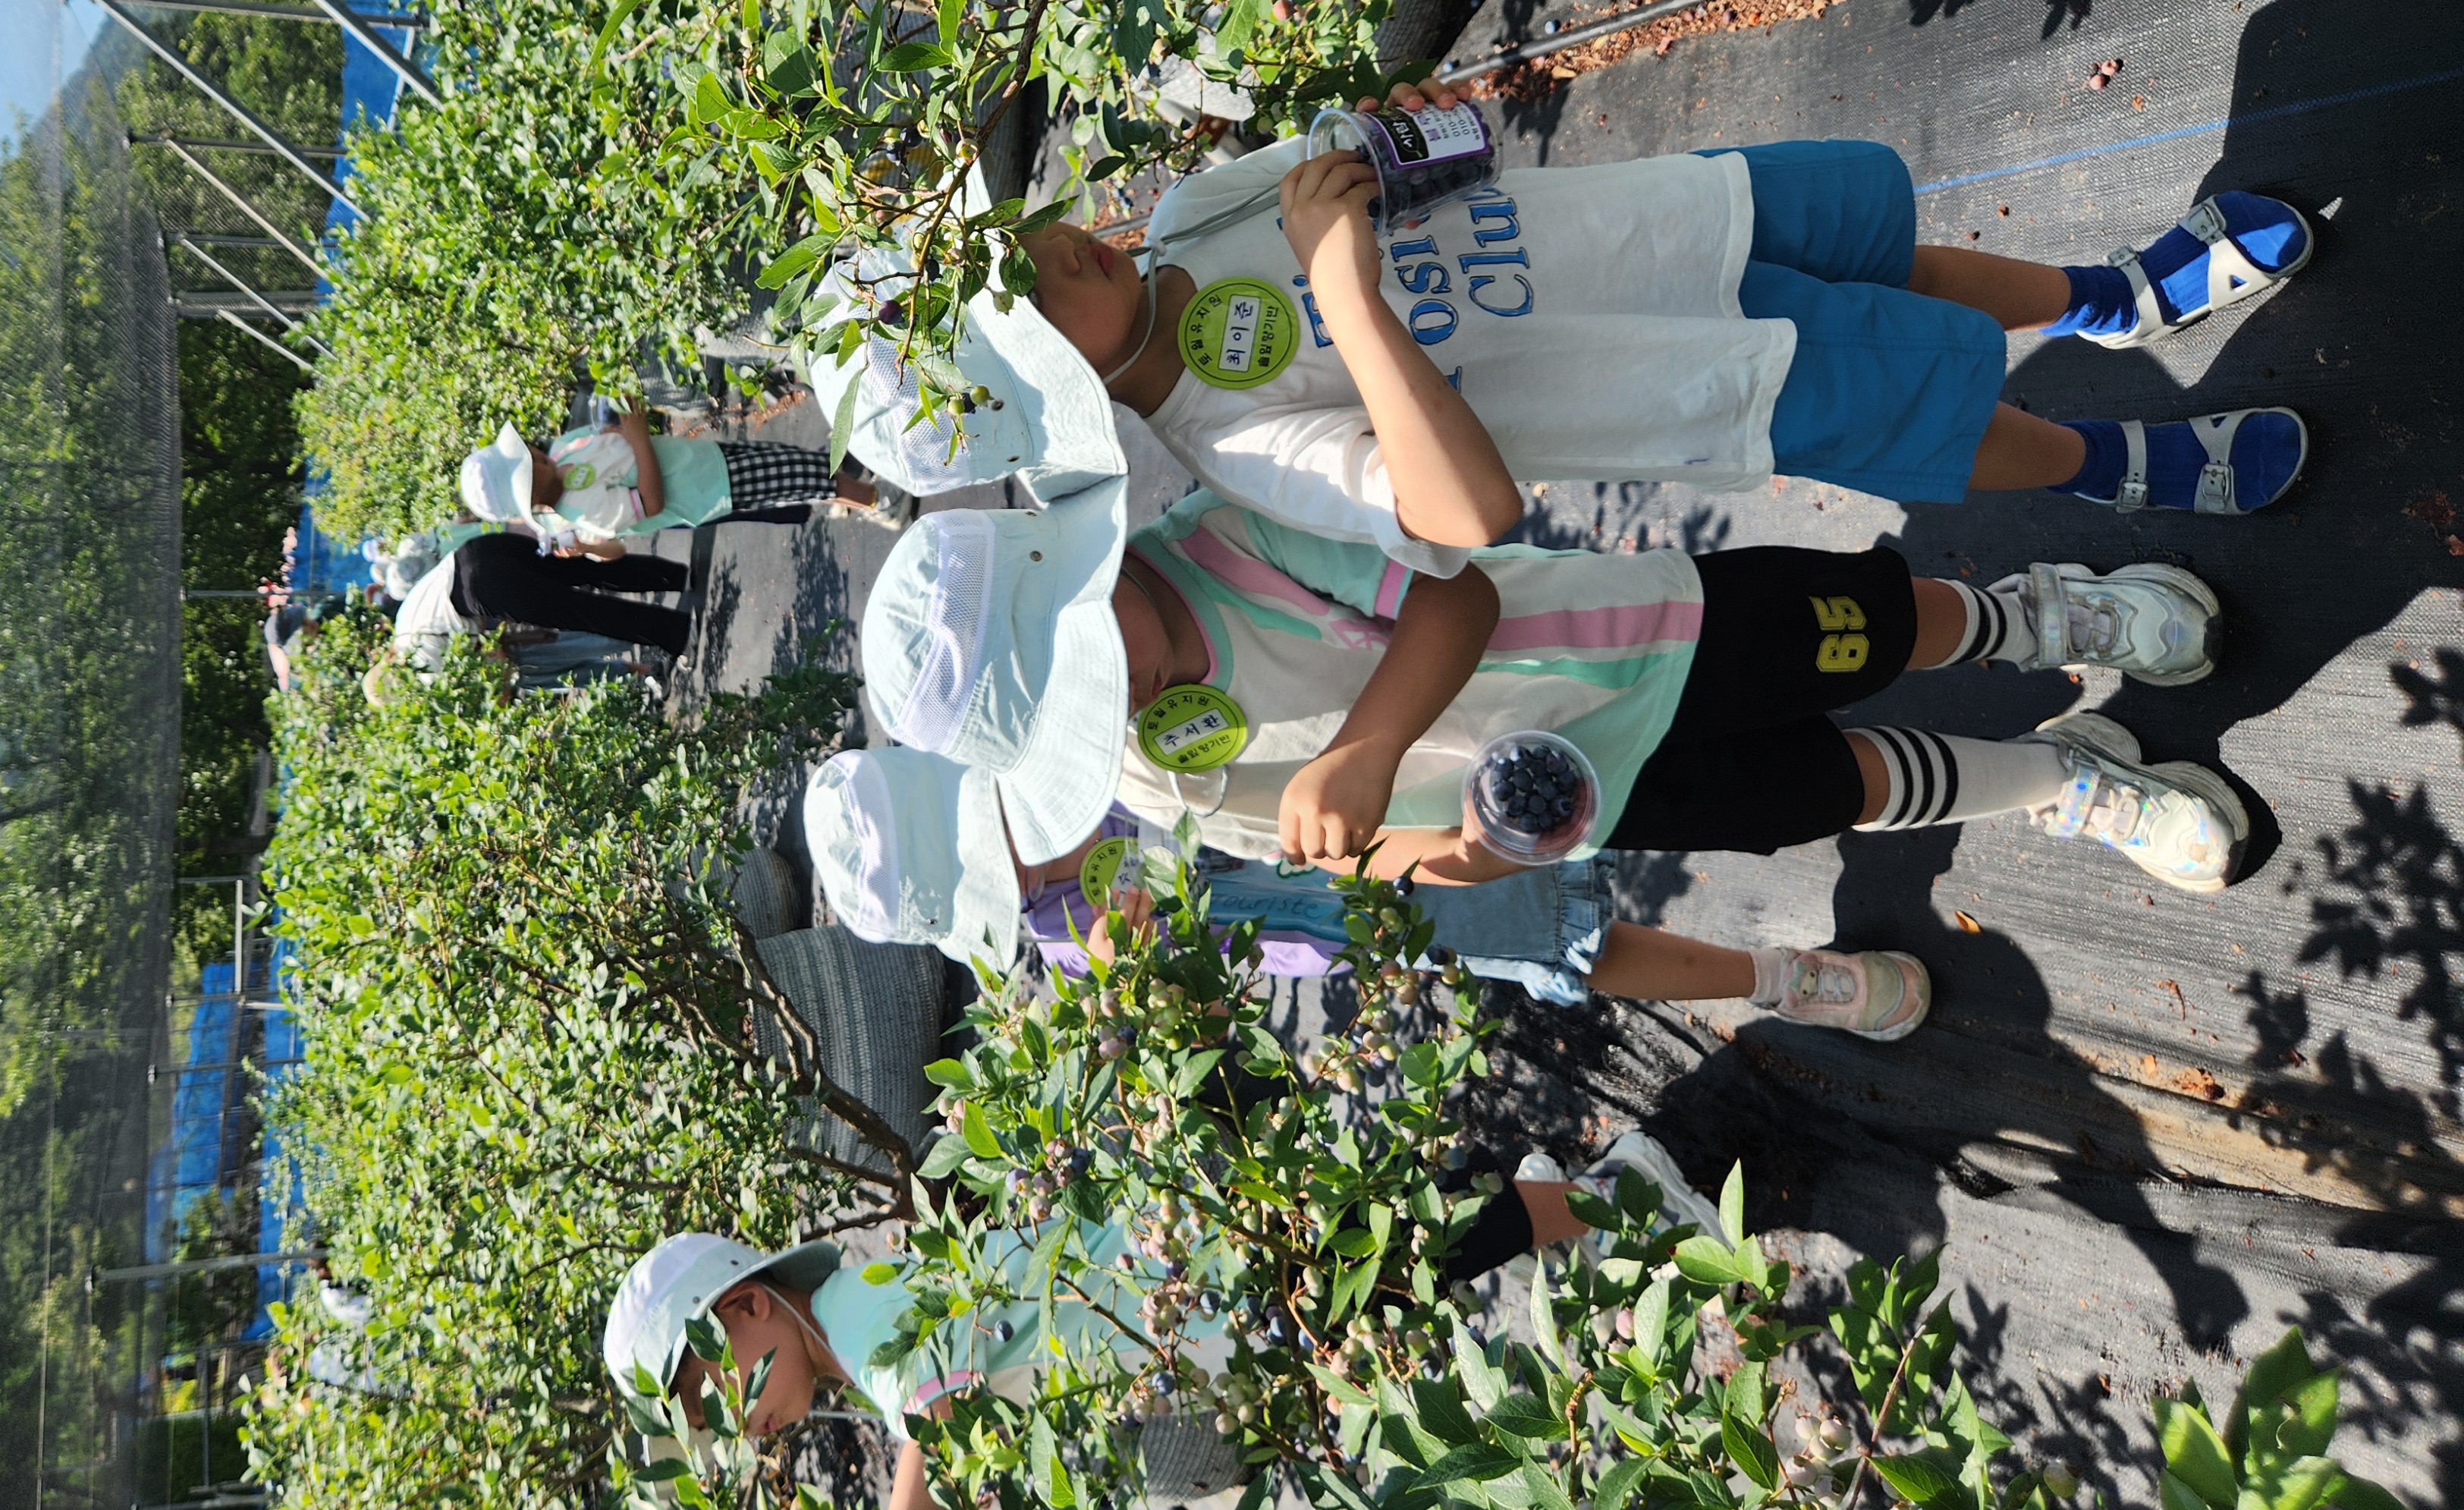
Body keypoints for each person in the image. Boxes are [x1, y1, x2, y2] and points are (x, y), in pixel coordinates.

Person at [856, 486, 2249, 1037]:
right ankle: (2067, 785)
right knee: (1842, 790)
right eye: (1090, 714)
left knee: (1875, 631)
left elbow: (1452, 597)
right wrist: (1457, 851)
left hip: (1646, 632)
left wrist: (1364, 747)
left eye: (1107, 661)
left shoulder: (1227, 535)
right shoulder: (1152, 775)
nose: (1137, 690)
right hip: (1590, 789)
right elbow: (1360, 853)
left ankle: (2044, 615)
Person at [1016, 104, 2313, 571]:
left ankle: (2120, 293)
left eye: (1031, 234)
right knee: (1934, 408)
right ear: (1057, 395)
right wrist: (1346, 303)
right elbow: (1463, 517)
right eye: (1032, 293)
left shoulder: (1193, 217)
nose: (1059, 243)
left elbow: (1392, 158)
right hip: (1684, 369)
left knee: (1894, 265)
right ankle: (2121, 466)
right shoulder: (1237, 440)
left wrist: (1387, 139)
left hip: (1659, 226)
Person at [602, 1126, 1721, 1510]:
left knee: (1387, 1260)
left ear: (750, 1306)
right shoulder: (847, 1334)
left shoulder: (857, 1312)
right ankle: (1547, 1199)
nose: (728, 1424)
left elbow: (936, 1431)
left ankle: (1616, 1192)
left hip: (1192, 1294)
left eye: (711, 1390)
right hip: (1178, 1289)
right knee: (1381, 1257)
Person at [803, 741, 1657, 1016]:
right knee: (1552, 938)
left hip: (1361, 803)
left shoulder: (1077, 755)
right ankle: (1778, 977)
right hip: (1356, 917)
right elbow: (1208, 1012)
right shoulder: (1072, 942)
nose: (1018, 865)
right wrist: (1140, 978)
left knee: (1554, 802)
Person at [460, 398, 904, 552]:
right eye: (529, 464)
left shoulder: (563, 449)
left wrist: (620, 421)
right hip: (712, 489)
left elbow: (609, 438)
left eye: (528, 451)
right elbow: (650, 505)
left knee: (794, 467)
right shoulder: (583, 513)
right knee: (808, 475)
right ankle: (882, 504)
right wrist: (638, 439)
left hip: (704, 461)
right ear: (533, 496)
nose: (537, 453)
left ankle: (863, 500)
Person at [397, 527, 695, 662]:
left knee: (584, 613)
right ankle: (677, 576)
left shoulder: (417, 663)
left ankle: (678, 633)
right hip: (476, 550)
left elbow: (481, 658)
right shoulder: (402, 624)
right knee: (581, 567)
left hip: (482, 588)